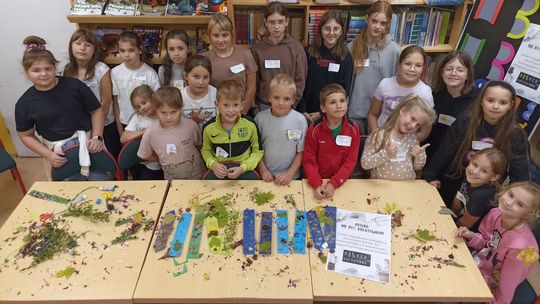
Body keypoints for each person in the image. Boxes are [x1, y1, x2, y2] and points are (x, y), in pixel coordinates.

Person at [423, 81, 531, 207]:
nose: (495, 106)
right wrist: (430, 175)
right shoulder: (466, 120)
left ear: (511, 106)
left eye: (503, 102)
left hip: (487, 190)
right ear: (481, 100)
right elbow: (446, 148)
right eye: (490, 100)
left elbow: (520, 174)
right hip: (457, 178)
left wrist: (513, 202)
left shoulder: (516, 134)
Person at [15, 36, 105, 179]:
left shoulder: (74, 86)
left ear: (54, 68)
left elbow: (96, 110)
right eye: (36, 70)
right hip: (56, 153)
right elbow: (25, 135)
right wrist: (48, 154)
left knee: (102, 183)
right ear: (27, 73)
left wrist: (97, 137)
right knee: (68, 192)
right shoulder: (24, 104)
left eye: (48, 69)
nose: (43, 74)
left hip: (89, 143)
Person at [456, 181, 540, 304]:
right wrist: (471, 236)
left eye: (520, 204)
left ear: (529, 214)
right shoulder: (496, 213)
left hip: (493, 282)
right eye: (510, 195)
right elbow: (488, 243)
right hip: (480, 263)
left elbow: (508, 285)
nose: (508, 203)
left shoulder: (524, 249)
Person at [63, 29, 121, 158]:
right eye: (78, 43)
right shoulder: (67, 70)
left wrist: (97, 125)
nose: (82, 48)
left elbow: (106, 101)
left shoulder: (101, 69)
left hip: (104, 122)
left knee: (110, 155)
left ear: (94, 49)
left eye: (88, 45)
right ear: (71, 46)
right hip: (80, 124)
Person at [347, 0, 400, 135]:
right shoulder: (352, 47)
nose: (377, 26)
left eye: (383, 23)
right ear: (367, 19)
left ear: (388, 25)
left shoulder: (394, 50)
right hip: (355, 113)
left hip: (382, 115)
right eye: (374, 21)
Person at [303, 84, 360, 199]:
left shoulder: (353, 129)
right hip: (316, 183)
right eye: (333, 102)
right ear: (323, 108)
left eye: (342, 101)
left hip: (341, 182)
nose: (339, 106)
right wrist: (317, 184)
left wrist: (334, 183)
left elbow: (350, 162)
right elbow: (309, 161)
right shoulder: (314, 130)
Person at [361, 94, 436, 180]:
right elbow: (365, 164)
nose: (413, 126)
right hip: (383, 187)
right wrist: (385, 154)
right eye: (413, 119)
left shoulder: (413, 139)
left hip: (406, 187)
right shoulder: (379, 135)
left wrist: (420, 156)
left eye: (418, 125)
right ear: (402, 110)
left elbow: (417, 167)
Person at [297, 9, 353, 124]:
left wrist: (322, 112)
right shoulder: (308, 52)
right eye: (327, 28)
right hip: (306, 112)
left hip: (331, 114)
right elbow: (299, 82)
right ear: (320, 30)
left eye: (336, 29)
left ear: (342, 31)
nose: (331, 33)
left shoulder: (346, 57)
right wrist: (303, 110)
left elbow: (344, 89)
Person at [367, 45, 433, 141]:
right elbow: (372, 114)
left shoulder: (425, 92)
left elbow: (426, 128)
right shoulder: (385, 84)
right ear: (399, 65)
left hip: (406, 142)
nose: (412, 69)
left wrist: (409, 144)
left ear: (423, 68)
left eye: (418, 65)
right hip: (381, 136)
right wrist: (377, 134)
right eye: (408, 64)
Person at [137, 87, 205, 180]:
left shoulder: (191, 126)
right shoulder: (150, 132)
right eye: (163, 113)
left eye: (173, 112)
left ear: (181, 108)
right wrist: (160, 159)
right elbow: (144, 154)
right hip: (172, 181)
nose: (169, 117)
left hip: (198, 177)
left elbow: (200, 146)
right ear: (156, 110)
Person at [201, 79, 264, 180]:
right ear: (217, 104)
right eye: (226, 105)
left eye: (235, 105)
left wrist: (243, 168)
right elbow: (206, 151)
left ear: (242, 105)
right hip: (218, 172)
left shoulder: (250, 125)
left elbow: (258, 152)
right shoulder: (208, 128)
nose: (231, 110)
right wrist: (213, 164)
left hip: (244, 171)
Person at [251, 2, 307, 110]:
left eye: (280, 22)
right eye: (272, 22)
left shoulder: (296, 48)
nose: (276, 27)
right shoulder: (257, 49)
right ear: (266, 23)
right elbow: (255, 81)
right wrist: (255, 105)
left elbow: (300, 79)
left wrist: (293, 102)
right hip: (265, 104)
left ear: (287, 22)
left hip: (288, 104)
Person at [425, 50, 479, 163]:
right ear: (442, 72)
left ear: (468, 74)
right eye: (449, 69)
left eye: (460, 70)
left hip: (459, 160)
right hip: (430, 156)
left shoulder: (478, 100)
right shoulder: (433, 96)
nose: (453, 73)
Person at [255, 73, 308, 185]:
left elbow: (301, 152)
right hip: (265, 176)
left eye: (287, 99)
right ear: (269, 97)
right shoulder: (260, 119)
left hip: (292, 178)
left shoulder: (300, 120)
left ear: (293, 100)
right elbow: (255, 149)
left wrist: (289, 174)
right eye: (276, 97)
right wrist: (263, 170)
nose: (281, 103)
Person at [203, 14, 257, 114]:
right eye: (216, 35)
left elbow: (251, 89)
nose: (220, 40)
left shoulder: (245, 54)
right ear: (209, 35)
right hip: (217, 113)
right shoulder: (205, 59)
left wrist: (242, 114)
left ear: (232, 34)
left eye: (225, 35)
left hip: (243, 111)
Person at [111, 31, 160, 136]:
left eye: (131, 50)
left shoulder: (150, 73)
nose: (126, 55)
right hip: (125, 124)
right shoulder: (115, 72)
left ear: (140, 50)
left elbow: (157, 102)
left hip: (146, 124)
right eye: (122, 51)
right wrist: (121, 131)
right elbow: (116, 103)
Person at [451, 148, 506, 232]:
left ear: (494, 177)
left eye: (484, 171)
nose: (475, 171)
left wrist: (448, 226)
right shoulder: (472, 177)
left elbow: (466, 224)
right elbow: (459, 197)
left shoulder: (481, 196)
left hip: (472, 234)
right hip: (463, 219)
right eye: (475, 164)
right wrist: (450, 216)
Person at [120, 85, 163, 180]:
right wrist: (141, 133)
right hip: (140, 163)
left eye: (144, 103)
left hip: (159, 164)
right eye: (138, 106)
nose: (142, 108)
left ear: (153, 98)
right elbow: (123, 138)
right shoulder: (138, 117)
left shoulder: (164, 115)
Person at [180, 54, 217, 128]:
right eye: (196, 77)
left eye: (205, 77)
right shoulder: (179, 97)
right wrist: (193, 121)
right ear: (186, 76)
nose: (201, 82)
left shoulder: (216, 94)